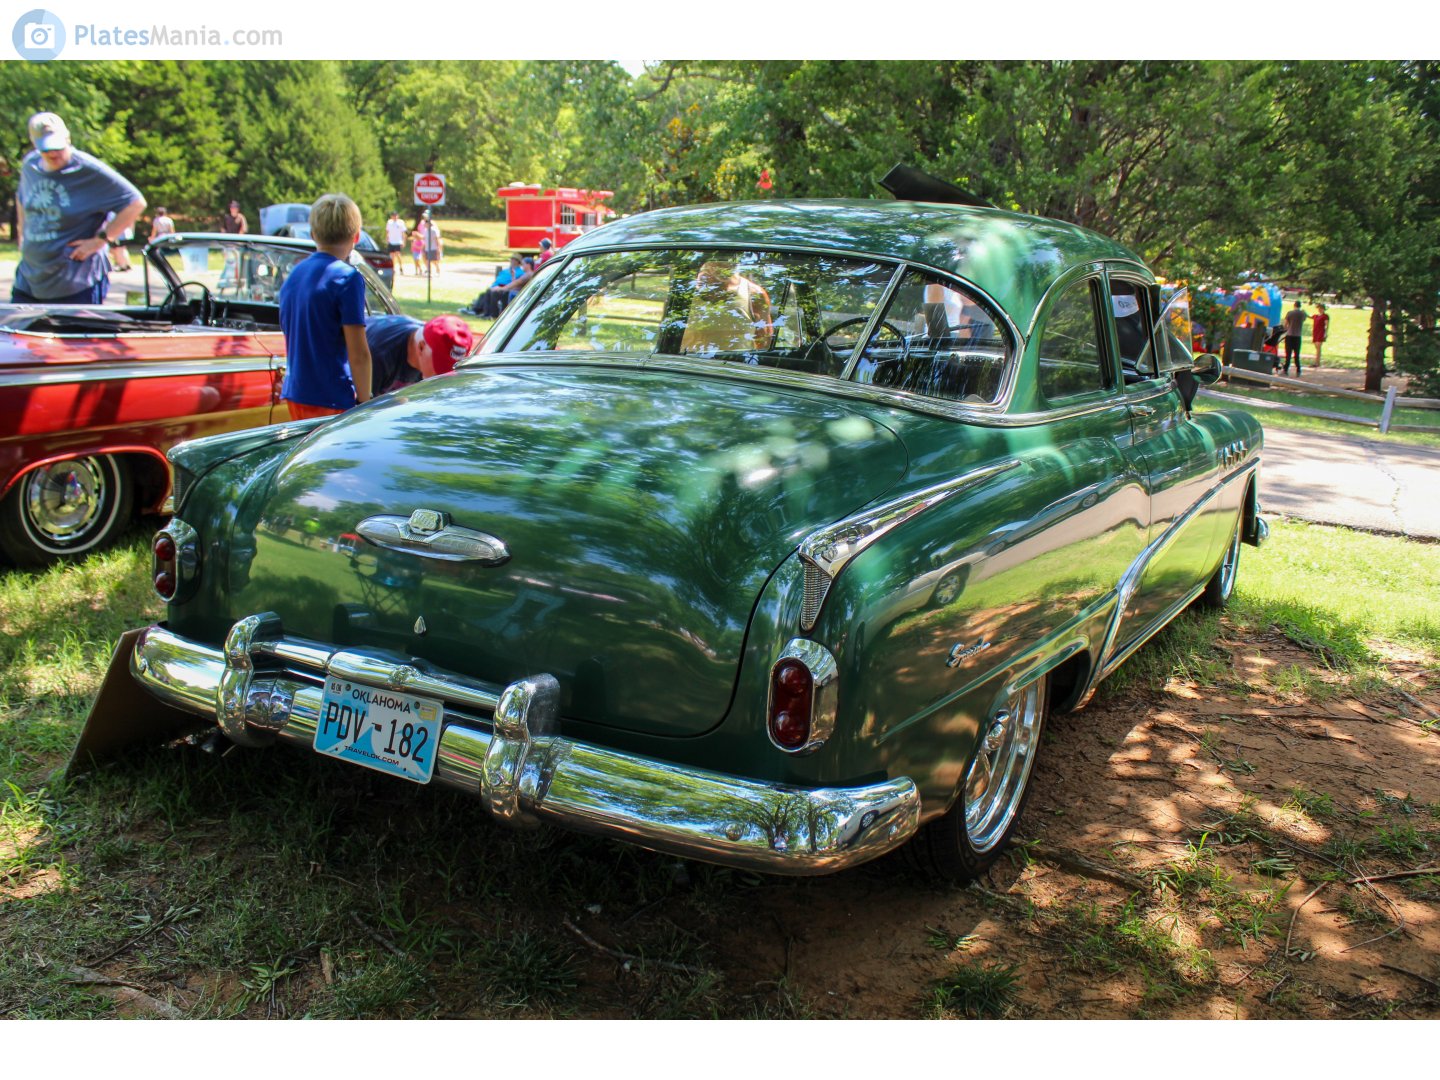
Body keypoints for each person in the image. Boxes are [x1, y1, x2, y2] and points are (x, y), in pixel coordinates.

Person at [11, 112, 146, 306]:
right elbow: (21, 197)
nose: (53, 153)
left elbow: (135, 203)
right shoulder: (30, 166)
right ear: (34, 143)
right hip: (30, 279)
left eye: (58, 145)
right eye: (46, 148)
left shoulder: (88, 170)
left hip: (74, 283)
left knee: (71, 337)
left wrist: (101, 240)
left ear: (67, 138)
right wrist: (22, 235)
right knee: (19, 335)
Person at [277, 193, 372, 421]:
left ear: (313, 234)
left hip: (297, 391)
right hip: (332, 395)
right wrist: (365, 402)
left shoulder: (294, 275)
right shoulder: (347, 279)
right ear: (356, 236)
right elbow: (358, 353)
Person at [365, 313, 474, 395]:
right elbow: (362, 412)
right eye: (439, 366)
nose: (442, 376)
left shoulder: (426, 342)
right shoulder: (380, 354)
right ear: (421, 347)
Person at [680, 258, 772, 355]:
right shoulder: (682, 292)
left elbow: (764, 344)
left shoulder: (754, 293)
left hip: (732, 366)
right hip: (681, 366)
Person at [1282, 300, 1308, 376]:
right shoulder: (1302, 314)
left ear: (1294, 305)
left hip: (1289, 335)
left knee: (1288, 354)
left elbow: (1285, 324)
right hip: (1298, 335)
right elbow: (1304, 319)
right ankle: (1298, 370)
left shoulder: (1290, 313)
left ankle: (1286, 369)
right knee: (1296, 354)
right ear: (1300, 306)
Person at [384, 211, 407, 276]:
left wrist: (403, 241)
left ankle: (401, 267)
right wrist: (387, 239)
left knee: (398, 255)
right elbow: (387, 231)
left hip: (398, 241)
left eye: (396, 215)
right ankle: (393, 268)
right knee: (392, 256)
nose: (394, 217)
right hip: (391, 241)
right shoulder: (389, 222)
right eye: (393, 215)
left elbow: (403, 233)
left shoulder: (401, 222)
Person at [1312, 302, 1330, 368]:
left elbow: (1326, 325)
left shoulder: (1325, 316)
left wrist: (1325, 333)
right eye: (1319, 308)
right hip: (1315, 332)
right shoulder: (1316, 316)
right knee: (1316, 347)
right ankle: (1316, 361)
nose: (1320, 309)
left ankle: (1317, 362)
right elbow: (1310, 317)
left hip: (1321, 332)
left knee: (1318, 347)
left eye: (1321, 308)